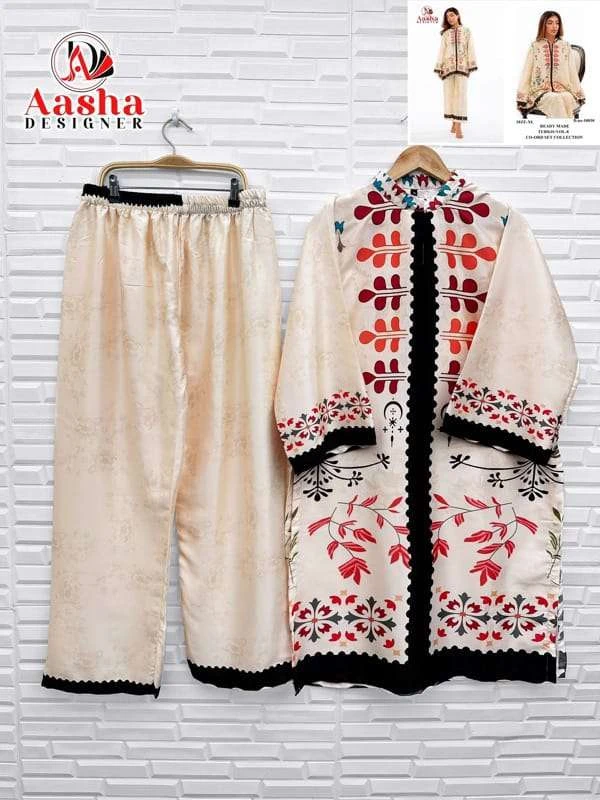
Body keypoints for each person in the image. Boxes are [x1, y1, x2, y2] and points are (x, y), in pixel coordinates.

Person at [516, 10, 585, 118]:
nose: (554, 26)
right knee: (555, 99)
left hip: (562, 89)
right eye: (550, 23)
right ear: (543, 25)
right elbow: (526, 73)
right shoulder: (535, 46)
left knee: (567, 98)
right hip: (540, 92)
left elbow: (572, 72)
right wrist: (522, 98)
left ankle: (561, 128)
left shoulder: (565, 46)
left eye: (557, 23)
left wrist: (578, 93)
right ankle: (562, 128)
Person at [434, 7, 477, 139]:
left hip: (462, 68)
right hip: (448, 68)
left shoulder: (467, 31)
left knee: (460, 96)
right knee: (449, 96)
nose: (450, 18)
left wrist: (471, 65)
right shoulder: (446, 34)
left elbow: (471, 48)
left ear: (458, 15)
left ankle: (458, 126)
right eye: (447, 17)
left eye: (452, 15)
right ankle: (453, 122)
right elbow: (441, 50)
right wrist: (439, 67)